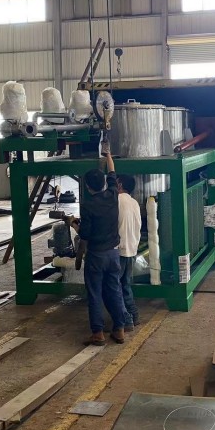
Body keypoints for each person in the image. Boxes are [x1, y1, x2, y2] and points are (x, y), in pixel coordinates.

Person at [75, 148, 127, 346]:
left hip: (96, 256)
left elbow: (85, 234)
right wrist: (109, 156)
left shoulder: (87, 206)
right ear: (104, 183)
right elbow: (112, 173)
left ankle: (98, 333)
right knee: (115, 290)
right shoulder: (113, 195)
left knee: (95, 293)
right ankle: (119, 329)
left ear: (88, 187)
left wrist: (73, 224)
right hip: (113, 254)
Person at [116, 174, 141, 331]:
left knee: (114, 287)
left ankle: (127, 320)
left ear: (119, 185)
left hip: (119, 250)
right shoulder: (134, 203)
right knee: (125, 285)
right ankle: (134, 314)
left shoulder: (117, 200)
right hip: (132, 249)